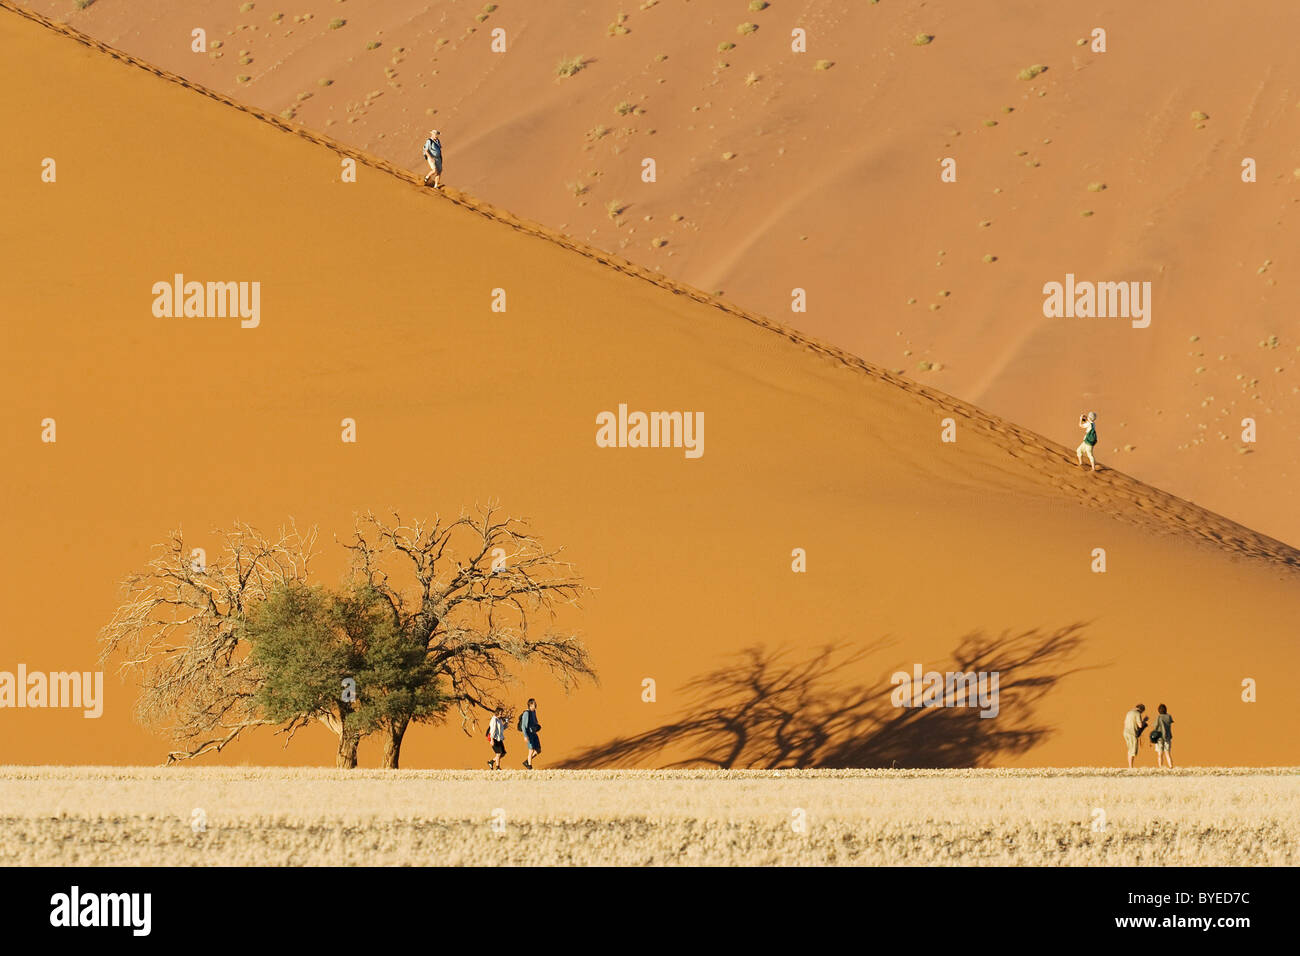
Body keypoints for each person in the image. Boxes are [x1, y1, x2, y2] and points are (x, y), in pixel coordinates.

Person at [518, 698, 542, 770]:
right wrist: (525, 736)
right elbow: (523, 726)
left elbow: (535, 721)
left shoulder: (534, 712)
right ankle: (529, 766)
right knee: (531, 750)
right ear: (530, 705)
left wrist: (537, 726)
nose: (535, 705)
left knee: (538, 750)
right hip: (529, 734)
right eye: (534, 704)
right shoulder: (526, 713)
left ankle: (527, 761)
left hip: (534, 733)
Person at [1122, 702, 1148, 768]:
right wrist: (1144, 721)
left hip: (1125, 732)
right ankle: (1131, 767)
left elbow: (1125, 722)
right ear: (1141, 710)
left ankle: (1130, 766)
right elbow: (1140, 725)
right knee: (1132, 751)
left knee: (1129, 749)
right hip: (1132, 733)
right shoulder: (1137, 713)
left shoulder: (1129, 712)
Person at [1151, 703, 1174, 769]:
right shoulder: (1169, 716)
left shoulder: (1159, 717)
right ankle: (1170, 766)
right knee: (1167, 753)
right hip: (1167, 737)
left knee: (1160, 753)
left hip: (1159, 738)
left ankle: (1160, 767)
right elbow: (1170, 722)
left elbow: (1155, 726)